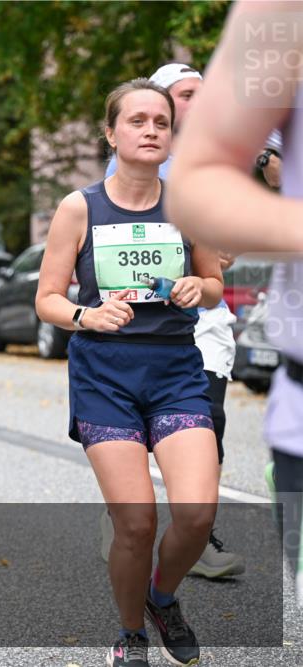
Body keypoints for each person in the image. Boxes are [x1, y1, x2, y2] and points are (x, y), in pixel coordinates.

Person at [36, 79, 223, 667]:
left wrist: (200, 286)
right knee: (136, 522)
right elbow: (46, 299)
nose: (150, 130)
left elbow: (215, 285)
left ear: (171, 135)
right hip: (105, 377)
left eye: (161, 122)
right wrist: (86, 314)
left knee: (197, 513)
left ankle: (161, 597)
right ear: (111, 132)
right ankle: (130, 633)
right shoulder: (79, 207)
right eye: (136, 121)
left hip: (174, 372)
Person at [165, 0, 302, 604]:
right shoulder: (282, 13)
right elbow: (201, 182)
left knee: (207, 428)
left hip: (210, 320)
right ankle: (143, 525)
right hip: (154, 330)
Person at [104, 63, 244, 579]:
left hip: (202, 323)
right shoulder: (134, 168)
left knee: (211, 421)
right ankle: (127, 520)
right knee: (138, 439)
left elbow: (222, 250)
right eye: (187, 95)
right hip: (138, 335)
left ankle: (195, 533)